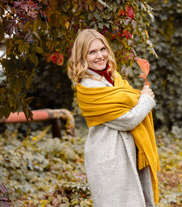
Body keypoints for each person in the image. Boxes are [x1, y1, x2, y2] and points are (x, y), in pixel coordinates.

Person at [67, 29, 160, 207]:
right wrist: (146, 99)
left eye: (102, 49)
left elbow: (130, 106)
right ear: (82, 57)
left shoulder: (114, 77)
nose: (100, 56)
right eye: (92, 52)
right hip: (108, 157)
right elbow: (128, 120)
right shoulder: (89, 88)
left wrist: (141, 100)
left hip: (130, 152)